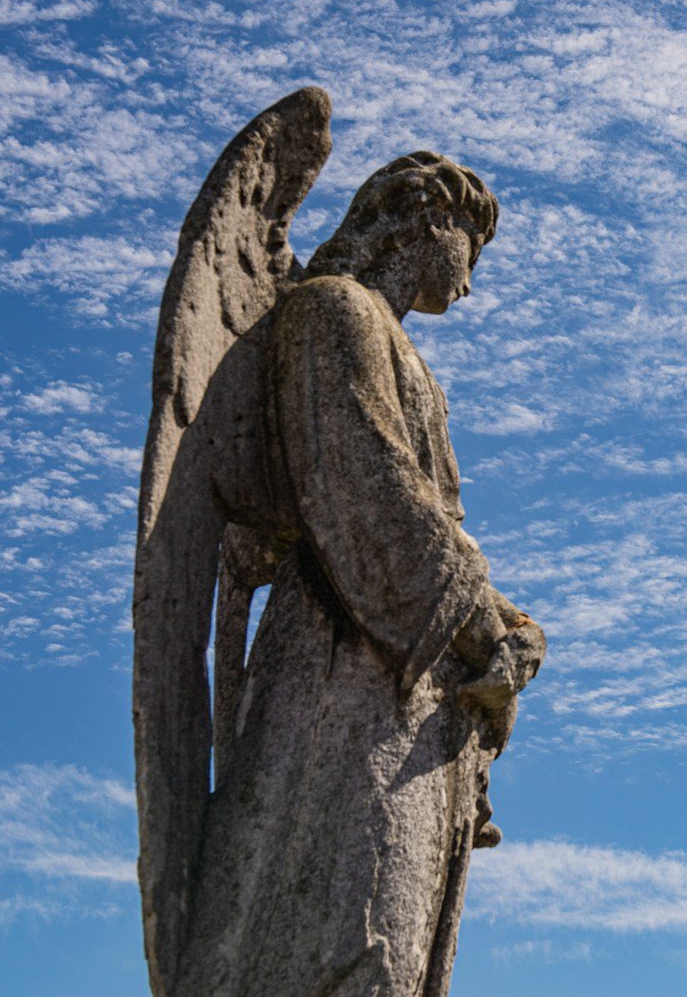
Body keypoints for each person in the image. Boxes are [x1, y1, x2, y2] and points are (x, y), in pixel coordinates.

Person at [172, 151, 544, 997]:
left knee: (397, 950)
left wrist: (517, 635)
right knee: (347, 938)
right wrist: (488, 628)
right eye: (471, 248)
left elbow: (432, 524)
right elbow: (371, 497)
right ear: (421, 216)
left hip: (413, 691)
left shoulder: (406, 358)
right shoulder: (331, 314)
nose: (473, 283)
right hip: (344, 672)